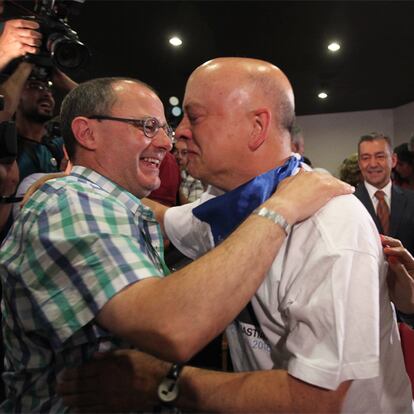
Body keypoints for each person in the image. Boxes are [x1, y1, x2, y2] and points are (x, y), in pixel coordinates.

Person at [58, 58, 412, 413]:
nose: (176, 133)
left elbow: (315, 401)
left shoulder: (331, 228)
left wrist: (160, 381)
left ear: (257, 126)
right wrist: (74, 187)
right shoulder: (224, 205)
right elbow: (165, 217)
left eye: (194, 117)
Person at [0, 76, 351, 412]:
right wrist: (281, 208)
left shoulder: (109, 205)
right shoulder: (71, 204)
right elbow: (171, 327)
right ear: (87, 132)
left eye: (163, 129)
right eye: (147, 127)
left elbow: (169, 217)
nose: (168, 143)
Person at [355, 132, 414, 256]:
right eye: (366, 158)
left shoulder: (411, 200)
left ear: (393, 160)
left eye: (380, 156)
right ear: (359, 163)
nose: (373, 164)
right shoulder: (349, 203)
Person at [173, 138, 204, 203]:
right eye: (176, 151)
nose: (179, 156)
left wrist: (176, 185)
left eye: (184, 153)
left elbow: (192, 210)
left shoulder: (196, 179)